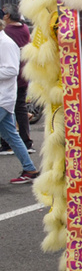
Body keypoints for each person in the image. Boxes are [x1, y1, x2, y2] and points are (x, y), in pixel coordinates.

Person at [0, 21, 39, 184]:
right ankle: (30, 169)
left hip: (3, 97)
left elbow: (12, 69)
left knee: (12, 135)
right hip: (4, 98)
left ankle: (29, 169)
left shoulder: (5, 43)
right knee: (12, 136)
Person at [0, 4, 32, 155]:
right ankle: (25, 144)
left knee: (14, 111)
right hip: (23, 74)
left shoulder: (7, 33)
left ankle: (8, 144)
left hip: (11, 79)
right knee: (19, 109)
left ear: (7, 16)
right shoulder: (24, 28)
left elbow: (9, 66)